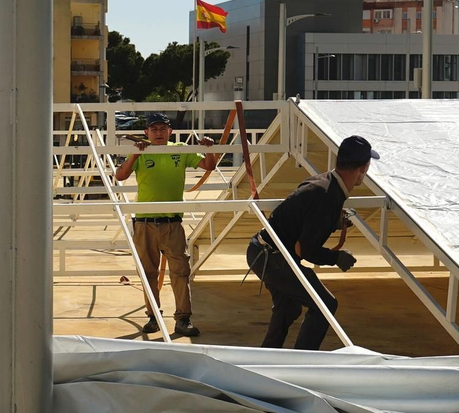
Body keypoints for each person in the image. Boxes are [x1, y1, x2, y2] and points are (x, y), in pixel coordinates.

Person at [246, 135, 375, 350]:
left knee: (289, 308)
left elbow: (302, 216)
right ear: (363, 168)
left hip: (263, 251)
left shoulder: (323, 181)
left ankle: (268, 355)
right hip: (273, 258)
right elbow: (304, 249)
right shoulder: (328, 195)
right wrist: (336, 258)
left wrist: (333, 222)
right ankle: (303, 359)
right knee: (325, 304)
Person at [113, 113, 219, 337]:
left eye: (163, 129)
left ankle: (183, 318)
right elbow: (120, 176)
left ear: (170, 132)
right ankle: (153, 316)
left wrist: (209, 147)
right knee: (148, 272)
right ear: (147, 133)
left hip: (172, 222)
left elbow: (208, 165)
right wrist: (133, 155)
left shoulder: (179, 149)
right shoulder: (141, 152)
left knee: (180, 272)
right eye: (154, 129)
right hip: (144, 223)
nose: (158, 133)